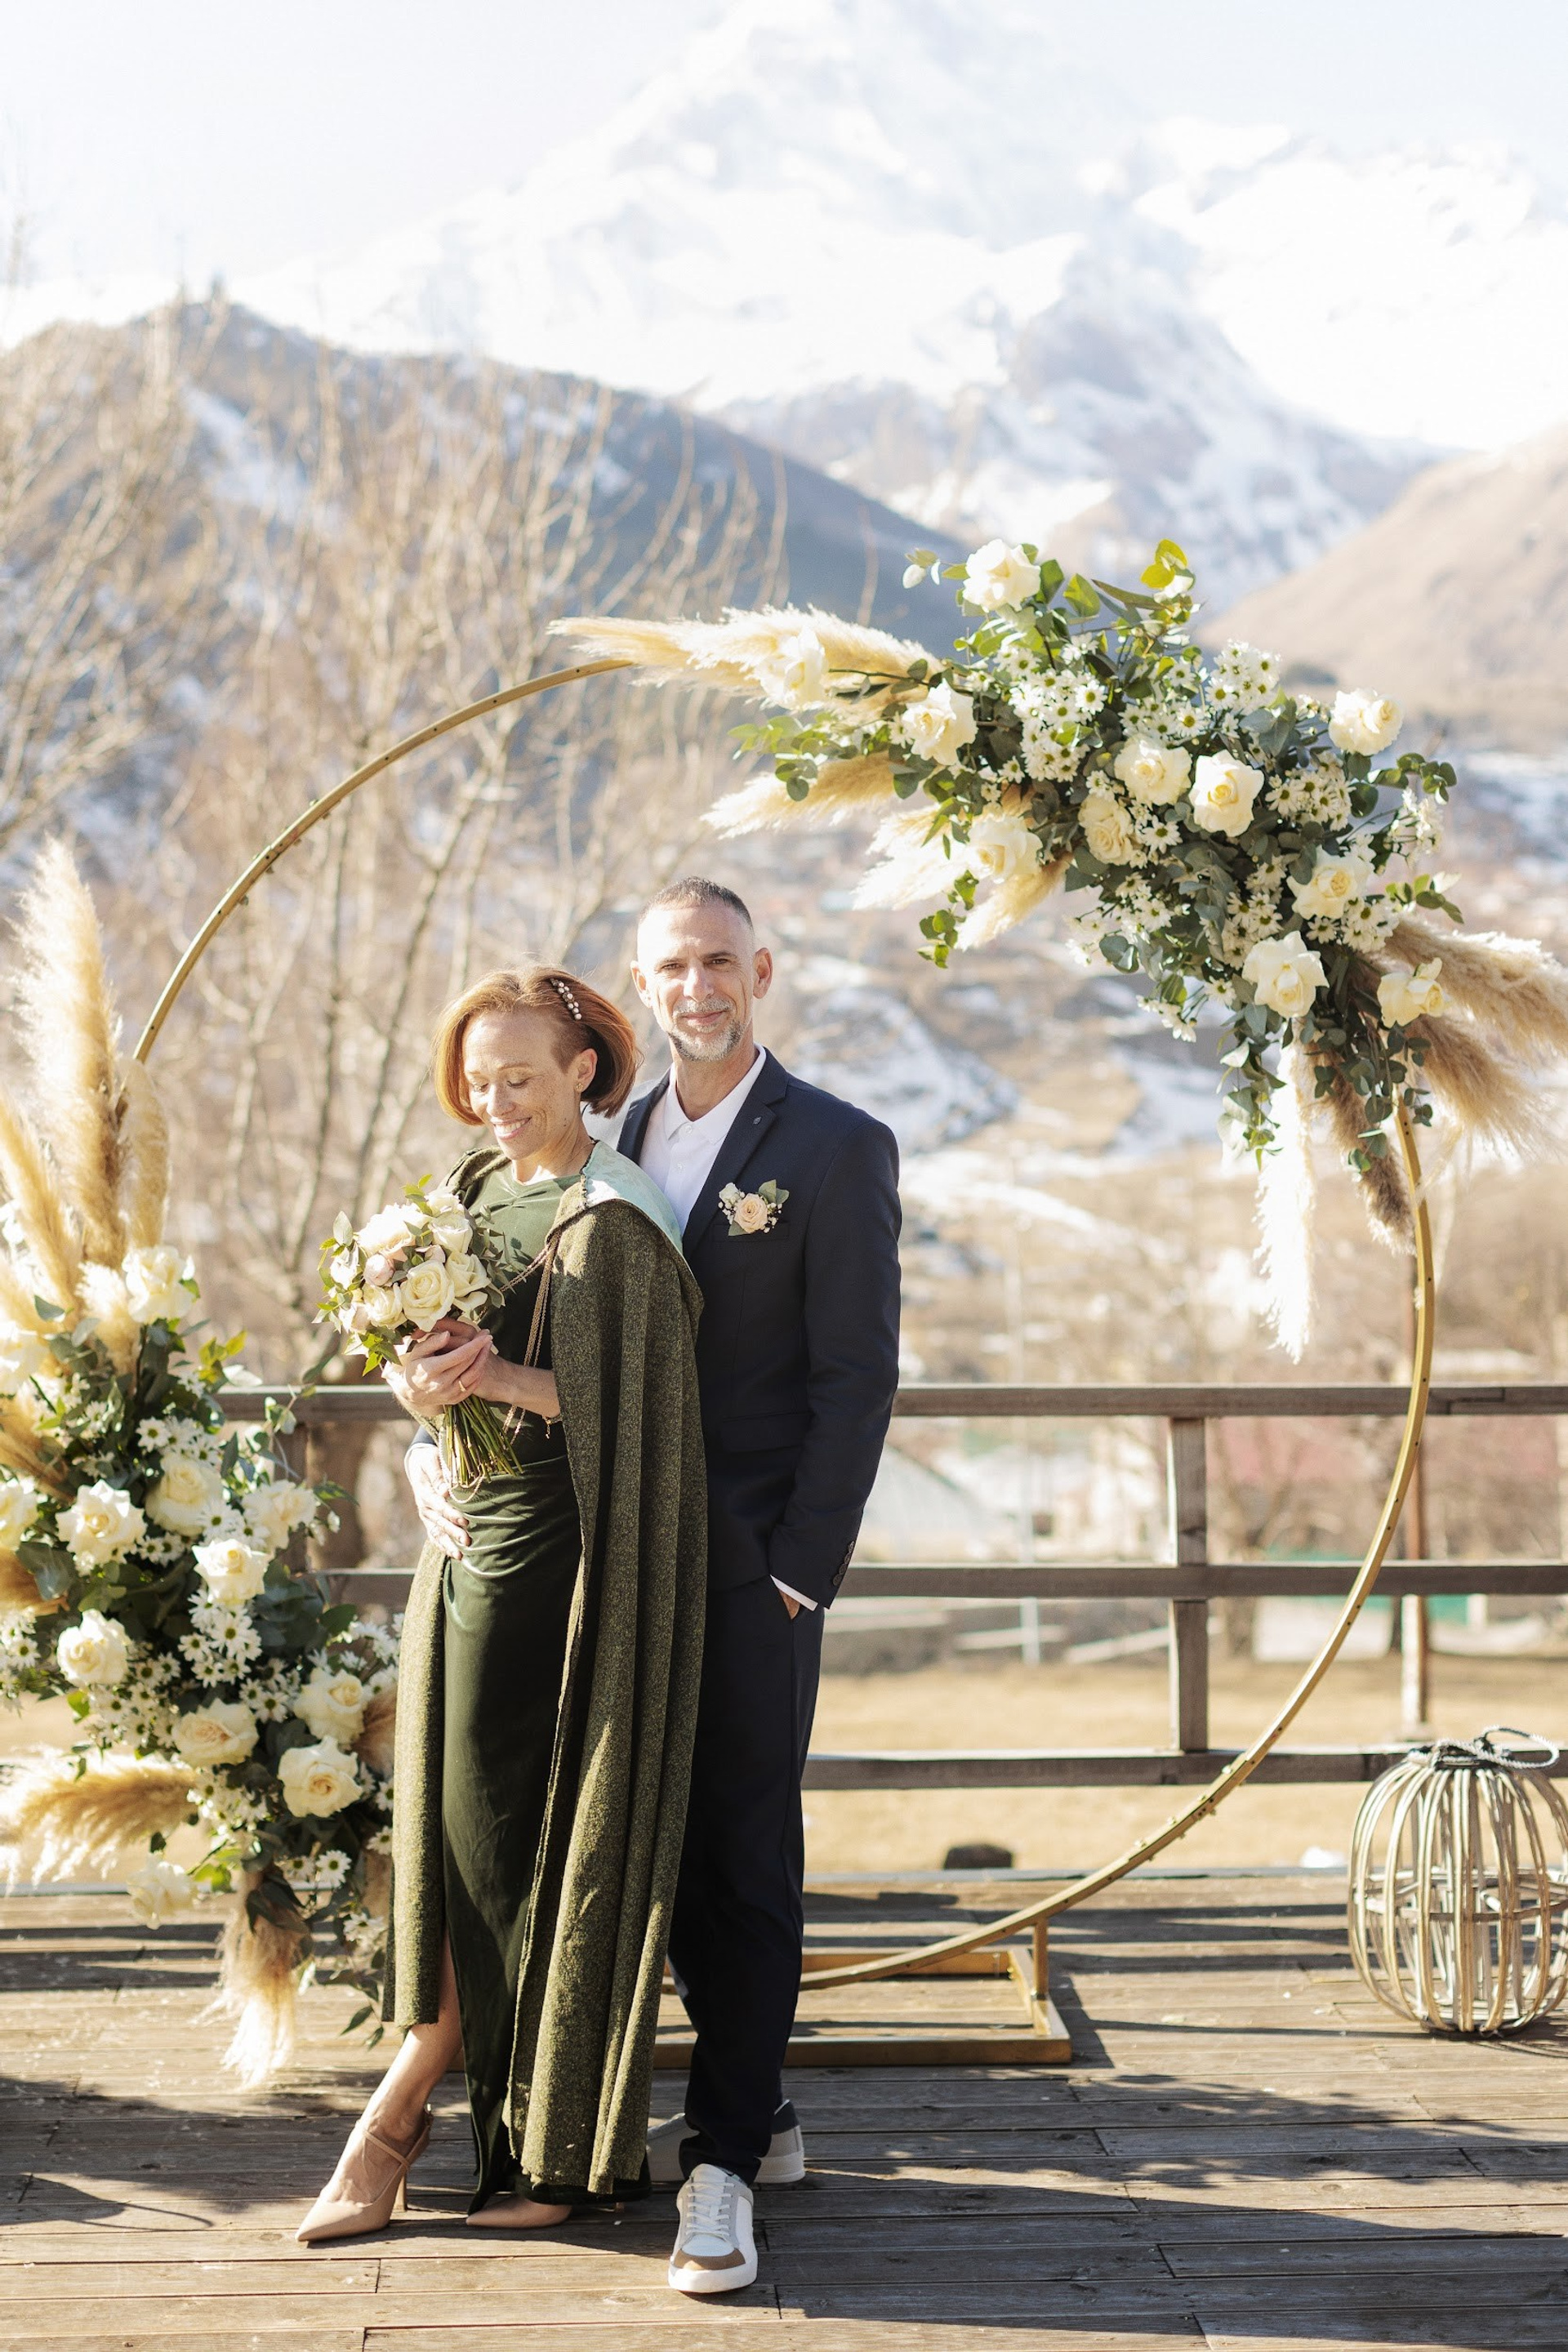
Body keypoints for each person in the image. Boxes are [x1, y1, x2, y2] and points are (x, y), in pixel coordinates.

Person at [409, 878, 902, 2292]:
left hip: (745, 1568)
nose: (699, 985)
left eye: (719, 960)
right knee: (635, 1834)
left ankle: (724, 2167)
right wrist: (440, 1446)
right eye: (672, 965)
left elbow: (855, 1376)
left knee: (742, 1856)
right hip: (598, 1559)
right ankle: (763, 2103)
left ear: (763, 969)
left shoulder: (836, 1145)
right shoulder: (598, 1139)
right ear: (639, 987)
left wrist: (800, 1573)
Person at [296, 966, 706, 2245]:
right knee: (455, 1827)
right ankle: (439, 2109)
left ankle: (451, 2123)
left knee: (520, 1839)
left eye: (520, 1079)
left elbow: (641, 1408)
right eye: (477, 1082)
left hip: (571, 1565)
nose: (496, 1103)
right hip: (465, 1550)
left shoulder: (616, 1217)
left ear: (584, 1071)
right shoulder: (470, 1195)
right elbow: (426, 1370)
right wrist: (425, 1427)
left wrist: (495, 1382)